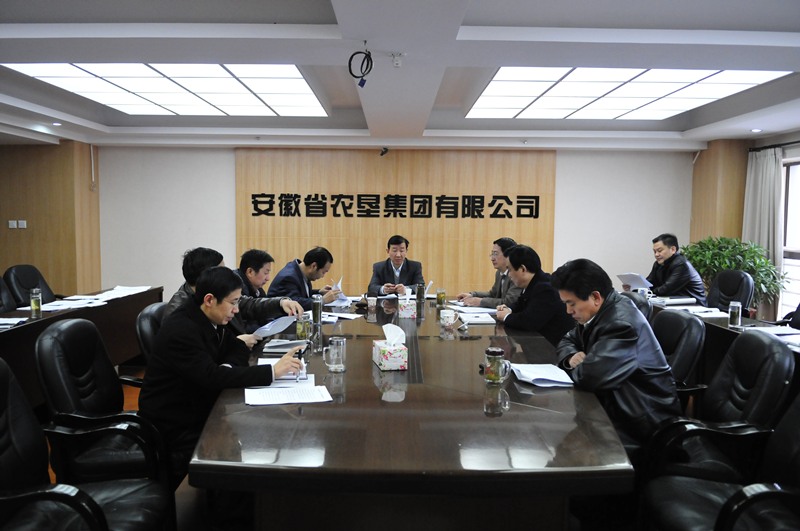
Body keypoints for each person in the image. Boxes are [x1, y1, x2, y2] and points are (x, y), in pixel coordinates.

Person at [139, 266, 304, 490]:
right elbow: (212, 377)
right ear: (209, 299)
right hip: (175, 421)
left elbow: (236, 348)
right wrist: (272, 372)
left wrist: (224, 370)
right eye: (233, 302)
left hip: (200, 402)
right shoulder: (182, 329)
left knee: (259, 433)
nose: (236, 310)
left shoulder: (207, 317)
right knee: (252, 447)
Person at [551, 258, 681, 462]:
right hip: (615, 406)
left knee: (567, 453)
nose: (568, 311)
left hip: (641, 425)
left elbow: (589, 378)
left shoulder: (621, 324)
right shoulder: (600, 311)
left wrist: (585, 366)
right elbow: (568, 340)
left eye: (571, 304)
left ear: (595, 297)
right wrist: (571, 357)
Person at [164, 247, 302, 347]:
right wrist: (236, 344)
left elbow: (249, 305)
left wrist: (280, 303)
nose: (227, 274)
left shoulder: (219, 293)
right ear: (207, 276)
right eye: (222, 270)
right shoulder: (179, 314)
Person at [494, 245, 574, 346]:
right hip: (538, 343)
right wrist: (508, 309)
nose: (509, 275)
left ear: (522, 269)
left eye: (509, 269)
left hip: (552, 348)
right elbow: (520, 303)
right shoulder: (534, 282)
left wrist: (506, 316)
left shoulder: (545, 288)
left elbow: (529, 322)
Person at [630, 233, 707, 306]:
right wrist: (633, 287)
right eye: (654, 251)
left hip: (695, 307)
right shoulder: (658, 264)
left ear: (673, 249)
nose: (656, 254)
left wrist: (646, 292)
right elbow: (648, 284)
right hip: (672, 303)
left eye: (659, 251)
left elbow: (665, 290)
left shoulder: (681, 264)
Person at [266, 246, 341, 310]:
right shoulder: (289, 277)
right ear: (314, 266)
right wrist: (322, 300)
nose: (323, 276)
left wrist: (319, 293)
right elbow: (295, 303)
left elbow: (301, 294)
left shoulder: (301, 272)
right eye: (323, 272)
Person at [457, 237, 522, 308]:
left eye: (496, 254)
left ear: (508, 255)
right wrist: (472, 295)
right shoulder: (499, 273)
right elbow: (493, 294)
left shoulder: (516, 274)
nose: (492, 258)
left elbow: (509, 302)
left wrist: (480, 301)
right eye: (492, 254)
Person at [234, 249, 274, 332]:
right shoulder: (236, 288)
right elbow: (244, 326)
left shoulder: (258, 289)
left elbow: (265, 314)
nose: (268, 278)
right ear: (250, 272)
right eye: (265, 273)